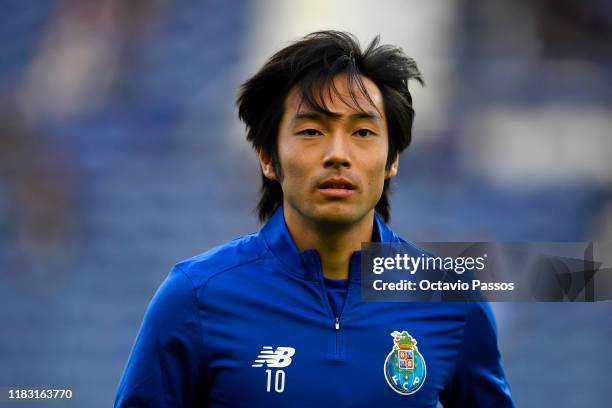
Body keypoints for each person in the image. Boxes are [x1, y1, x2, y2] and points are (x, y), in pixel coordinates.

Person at [115, 30, 514, 407]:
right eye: (311, 131)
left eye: (362, 132)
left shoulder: (452, 300)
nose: (338, 154)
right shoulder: (196, 295)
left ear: (392, 159)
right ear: (268, 157)